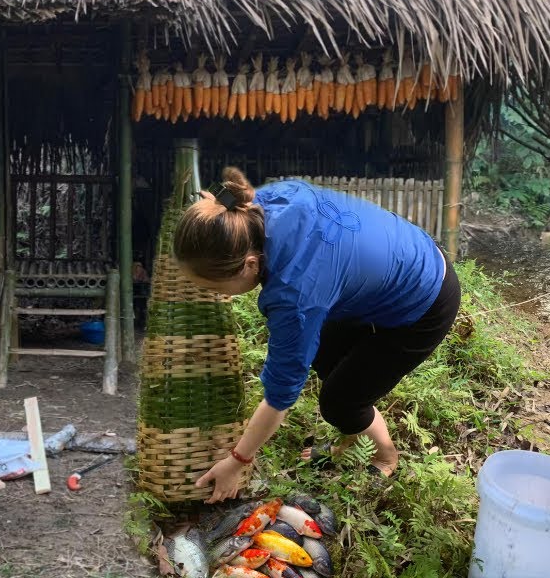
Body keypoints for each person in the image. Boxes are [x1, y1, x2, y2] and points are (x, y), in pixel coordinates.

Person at [172, 167, 460, 503]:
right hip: (404, 253)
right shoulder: (257, 206)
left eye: (216, 287)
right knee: (324, 353)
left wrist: (237, 461)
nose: (219, 295)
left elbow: (280, 395)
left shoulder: (294, 293)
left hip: (425, 299)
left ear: (250, 264)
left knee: (340, 402)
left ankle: (385, 455)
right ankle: (356, 436)